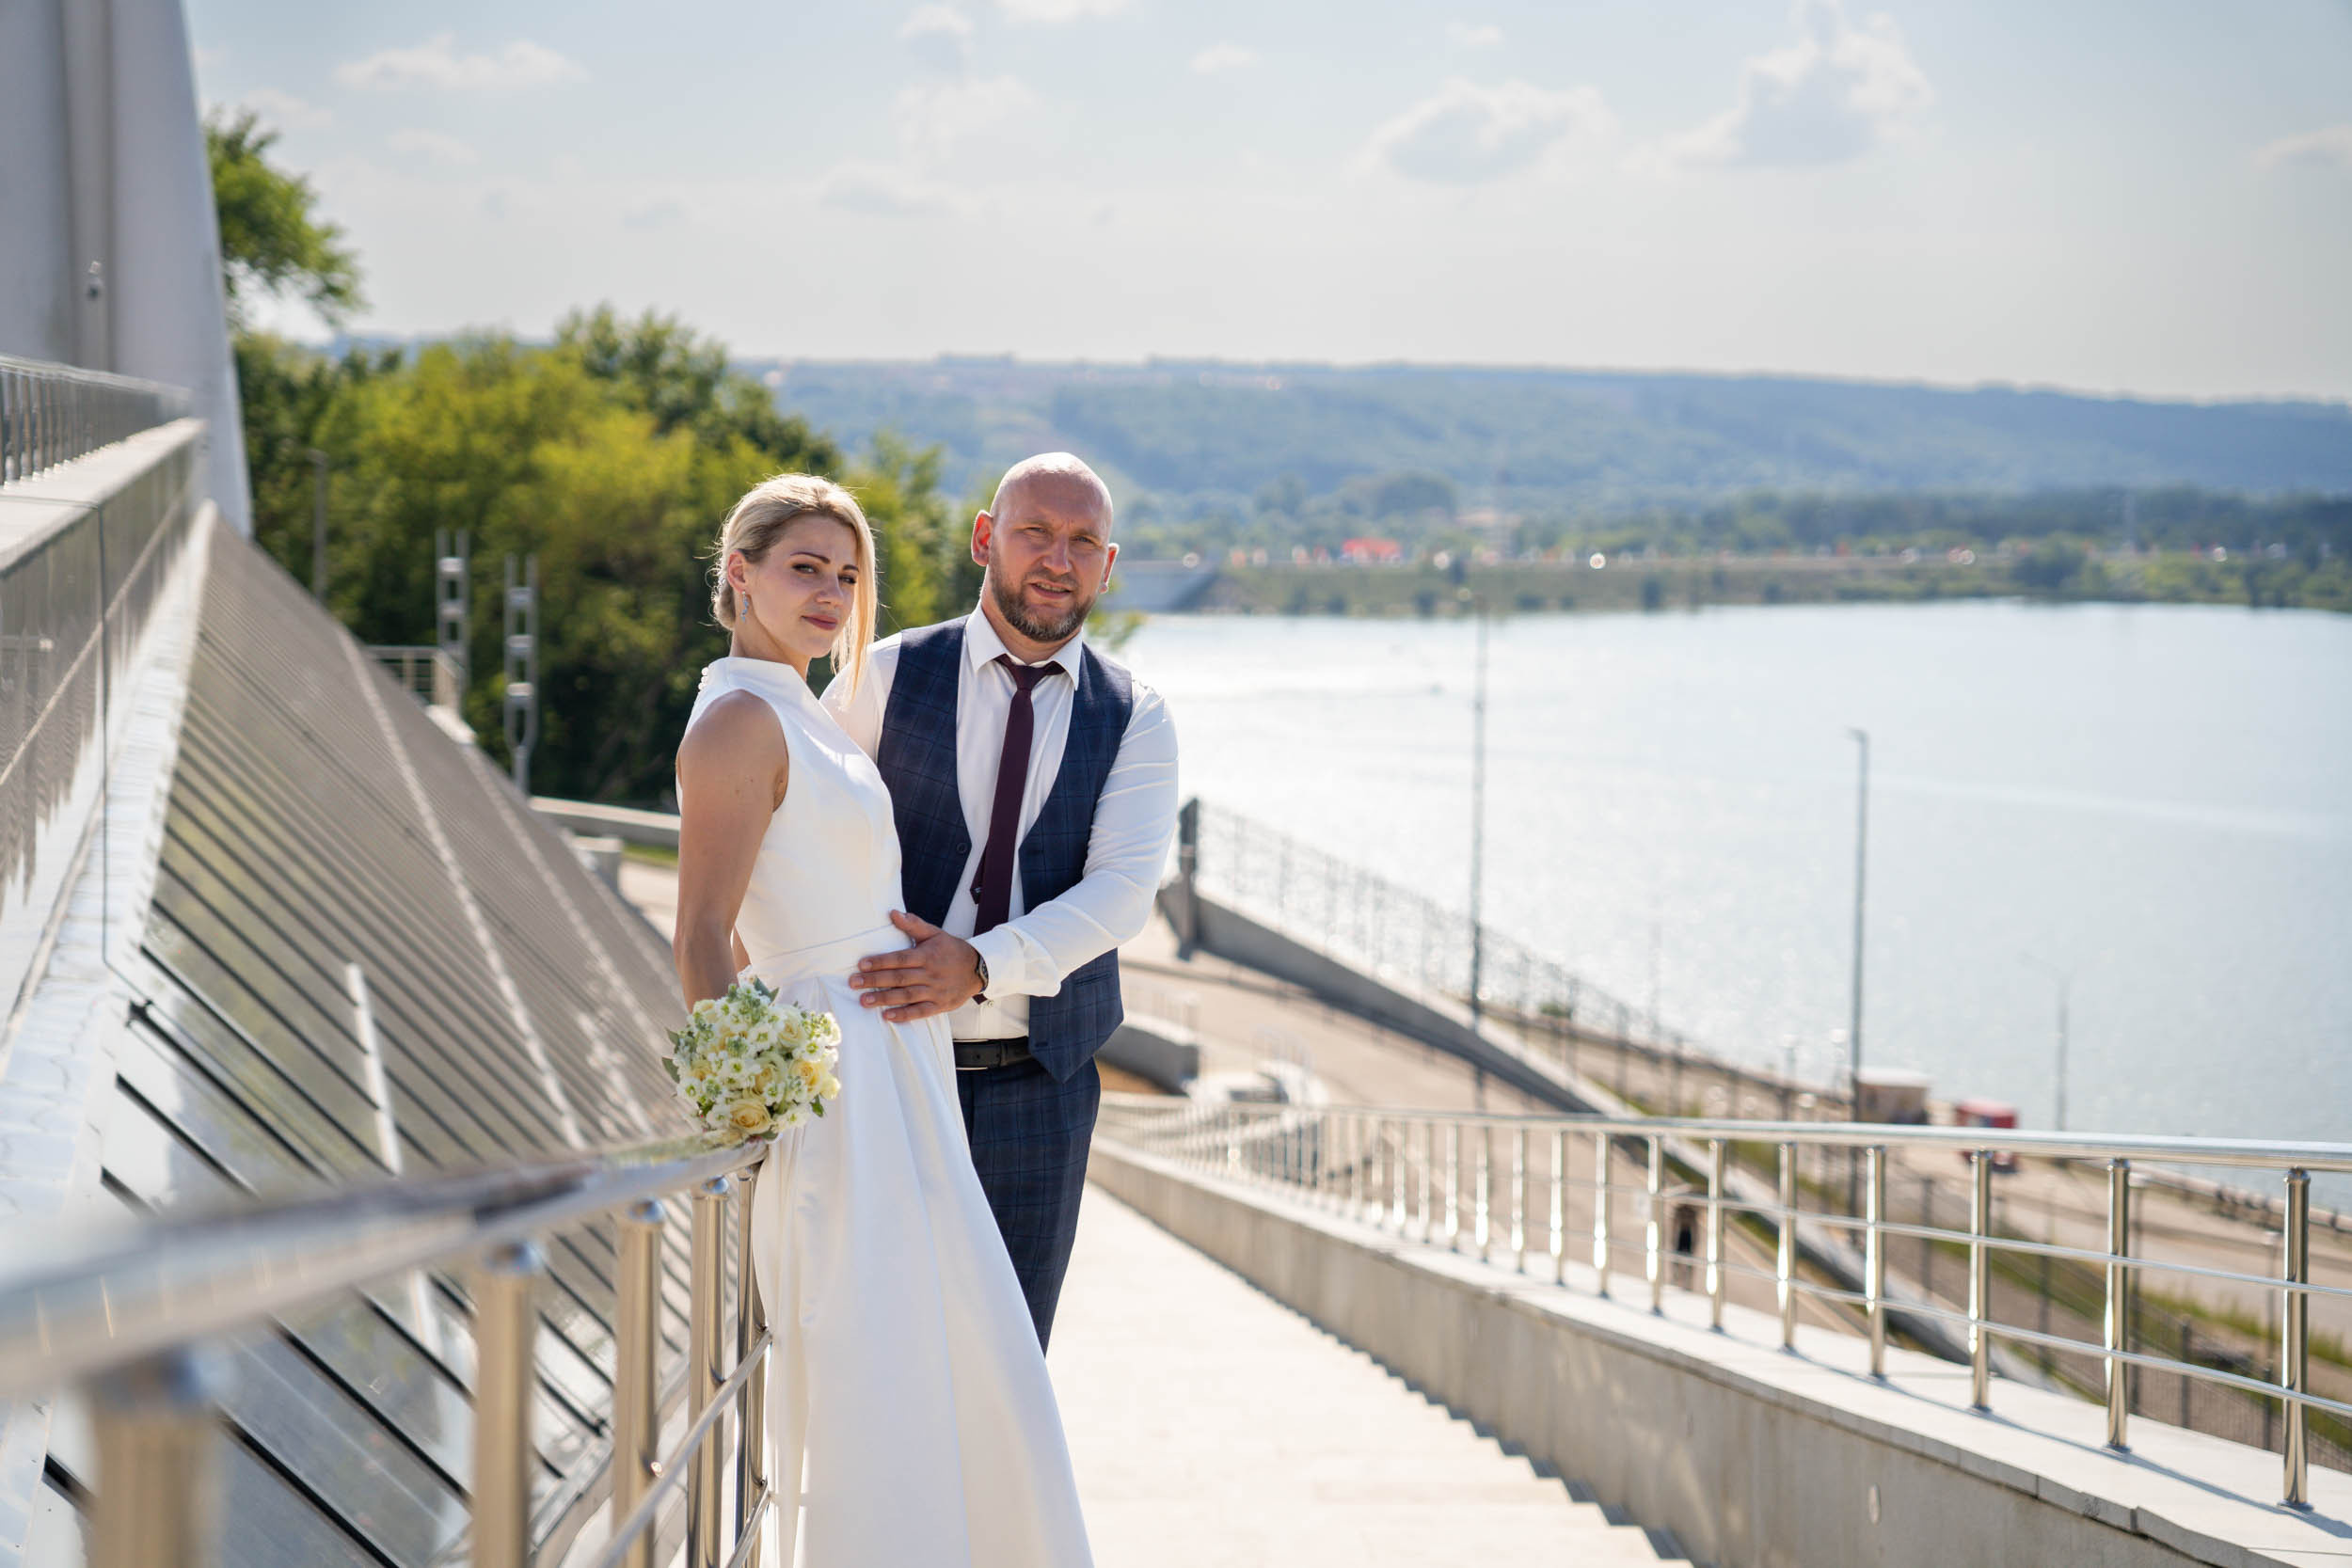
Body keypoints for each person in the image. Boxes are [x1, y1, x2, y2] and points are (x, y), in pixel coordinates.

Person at [673, 474, 1091, 1566]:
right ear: (740, 573)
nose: (829, 591)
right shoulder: (735, 720)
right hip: (836, 1083)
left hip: (897, 1071)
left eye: (848, 574)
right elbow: (703, 931)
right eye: (803, 566)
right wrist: (749, 1100)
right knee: (881, 1364)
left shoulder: (806, 711)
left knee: (949, 1353)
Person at [829, 451, 1180, 1349]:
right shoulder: (882, 675)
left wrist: (980, 965)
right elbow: (802, 837)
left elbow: (1123, 891)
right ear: (986, 538)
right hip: (890, 1072)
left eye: (1082, 541)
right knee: (880, 1349)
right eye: (1034, 533)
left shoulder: (1135, 715)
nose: (1057, 560)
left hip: (1041, 1089)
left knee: (1008, 1368)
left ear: (1109, 565)